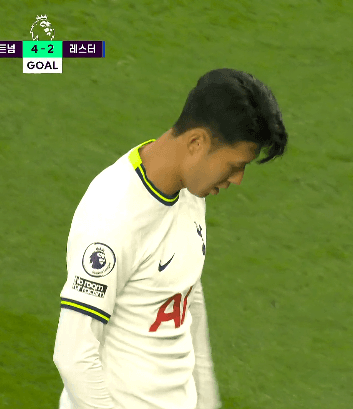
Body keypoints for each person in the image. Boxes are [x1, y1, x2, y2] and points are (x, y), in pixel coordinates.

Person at [53, 68, 288, 409]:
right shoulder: (114, 216)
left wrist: (206, 402)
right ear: (196, 143)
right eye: (234, 165)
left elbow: (187, 294)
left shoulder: (190, 192)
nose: (237, 179)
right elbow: (74, 355)